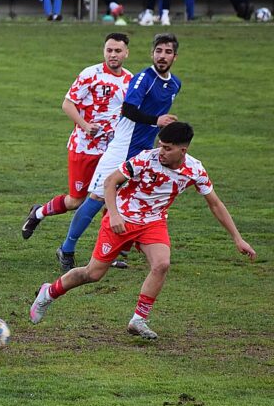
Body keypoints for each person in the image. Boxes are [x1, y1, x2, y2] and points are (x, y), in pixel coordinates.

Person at [29, 122, 256, 340]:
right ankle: (49, 292)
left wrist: (238, 238)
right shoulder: (146, 159)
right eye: (160, 145)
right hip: (123, 219)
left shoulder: (194, 170)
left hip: (153, 223)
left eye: (167, 148)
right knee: (93, 274)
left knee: (161, 264)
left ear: (183, 150)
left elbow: (215, 204)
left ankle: (138, 320)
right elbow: (110, 182)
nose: (161, 152)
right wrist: (114, 214)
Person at [55, 33, 181, 273]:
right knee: (97, 198)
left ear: (175, 56)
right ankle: (67, 248)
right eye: (158, 51)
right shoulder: (143, 78)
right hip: (123, 146)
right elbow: (128, 110)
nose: (162, 56)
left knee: (131, 199)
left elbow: (157, 118)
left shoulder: (174, 84)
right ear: (152, 53)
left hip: (144, 149)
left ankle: (113, 250)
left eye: (167, 52)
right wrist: (156, 120)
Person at [22, 33, 132, 241]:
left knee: (111, 196)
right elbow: (67, 104)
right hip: (84, 147)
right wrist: (85, 126)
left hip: (112, 150)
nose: (113, 55)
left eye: (118, 51)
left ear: (126, 53)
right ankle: (38, 213)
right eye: (109, 50)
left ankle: (111, 245)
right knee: (76, 201)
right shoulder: (91, 74)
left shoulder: (130, 80)